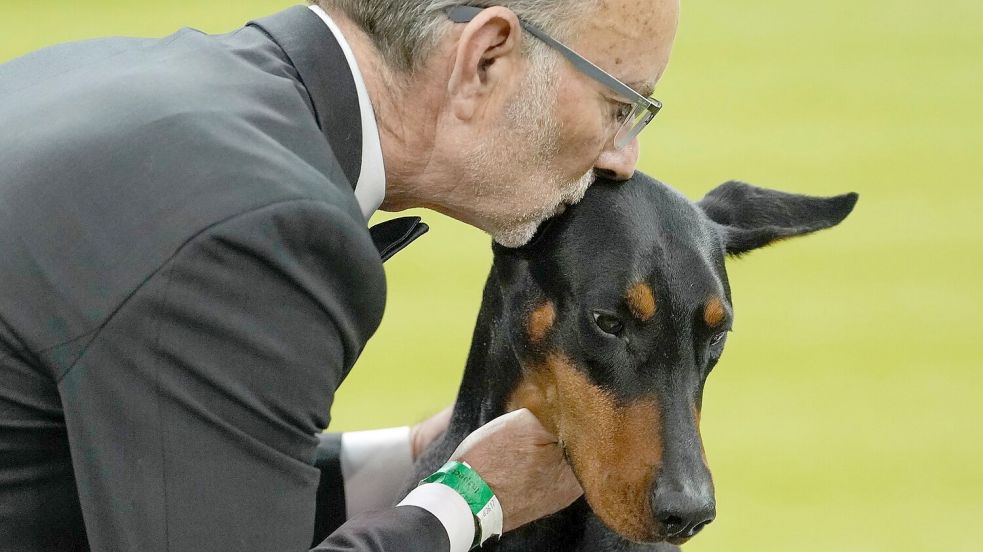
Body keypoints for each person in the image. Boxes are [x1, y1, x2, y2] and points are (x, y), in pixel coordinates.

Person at [0, 0, 679, 550]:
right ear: (486, 57)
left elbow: (151, 469)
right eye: (620, 106)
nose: (624, 157)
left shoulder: (109, 73)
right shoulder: (259, 225)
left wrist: (419, 455)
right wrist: (470, 501)